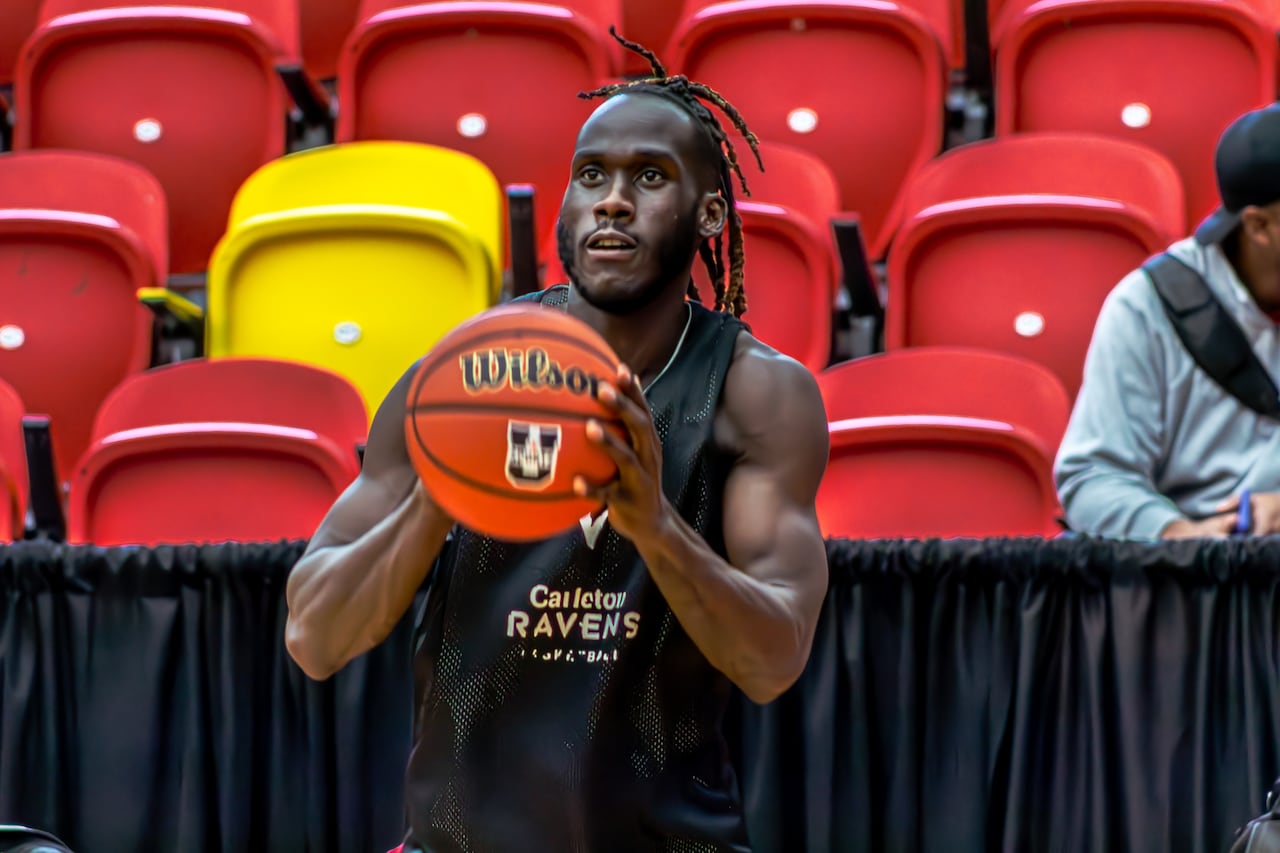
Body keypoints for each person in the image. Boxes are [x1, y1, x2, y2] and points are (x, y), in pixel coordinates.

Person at [283, 29, 830, 853]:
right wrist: (441, 488)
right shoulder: (463, 373)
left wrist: (655, 525)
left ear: (709, 211)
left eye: (650, 177)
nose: (613, 200)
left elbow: (774, 659)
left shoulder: (758, 394)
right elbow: (314, 638)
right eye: (591, 177)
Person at [1055, 101, 1280, 540]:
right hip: (1180, 586)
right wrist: (1179, 536)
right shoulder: (1147, 306)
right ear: (1259, 227)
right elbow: (1093, 478)